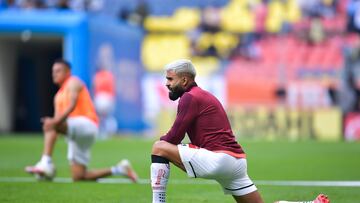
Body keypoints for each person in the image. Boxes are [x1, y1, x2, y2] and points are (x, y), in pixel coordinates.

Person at [150, 59, 330, 203]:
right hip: (237, 162)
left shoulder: (189, 97)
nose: (166, 83)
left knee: (159, 147)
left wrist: (164, 142)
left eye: (170, 79)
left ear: (184, 80)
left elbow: (174, 137)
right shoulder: (202, 95)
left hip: (218, 159)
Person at [25, 59, 138, 182]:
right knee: (79, 176)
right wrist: (53, 126)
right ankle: (119, 169)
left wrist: (53, 124)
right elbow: (56, 124)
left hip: (87, 124)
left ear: (68, 72)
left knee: (52, 123)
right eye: (53, 71)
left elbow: (71, 105)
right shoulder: (57, 96)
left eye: (58, 71)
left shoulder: (73, 82)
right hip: (76, 133)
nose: (54, 74)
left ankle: (45, 162)